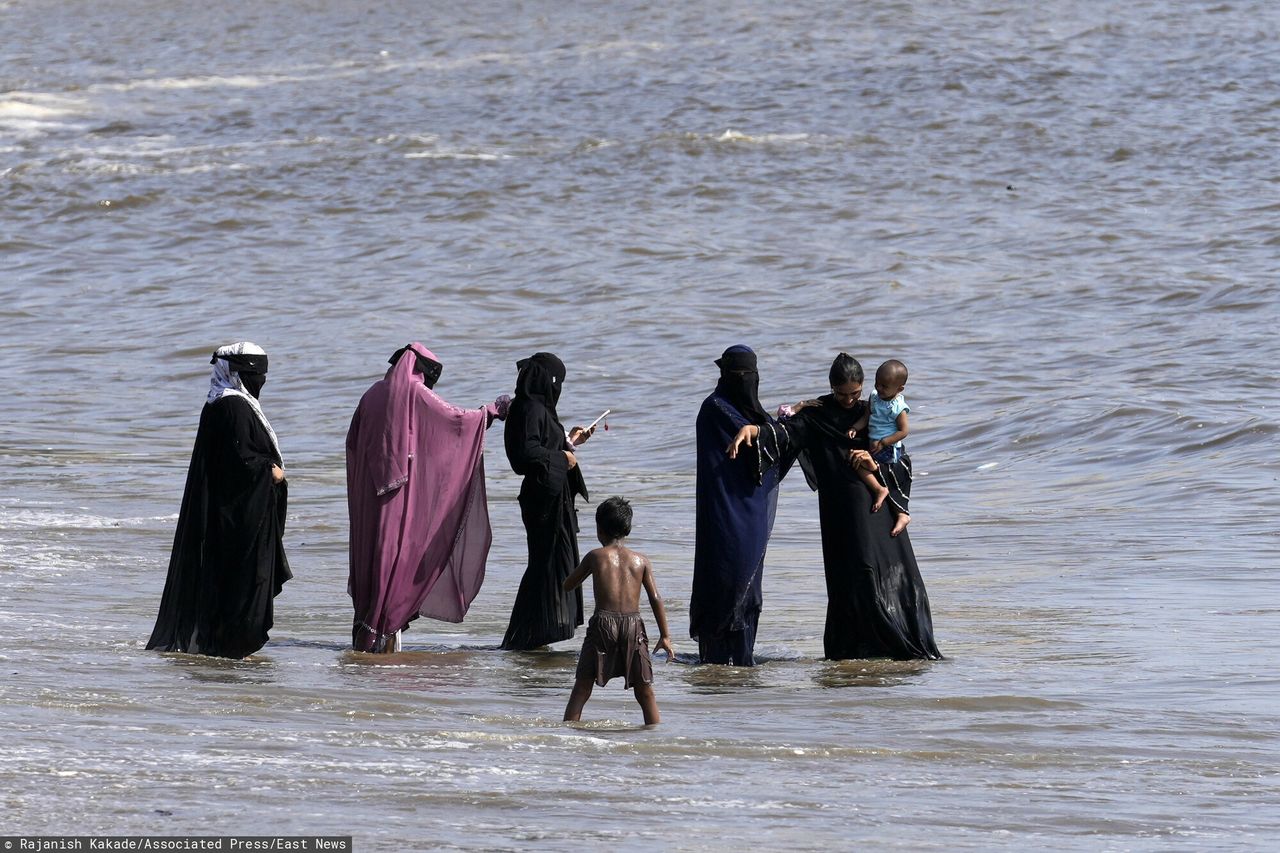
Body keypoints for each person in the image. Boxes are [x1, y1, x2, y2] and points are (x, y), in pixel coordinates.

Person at [729, 353, 940, 661]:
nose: (847, 400)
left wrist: (873, 461)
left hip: (874, 506)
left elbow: (900, 459)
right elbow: (787, 433)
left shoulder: (873, 411)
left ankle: (895, 646)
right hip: (836, 509)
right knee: (845, 575)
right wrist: (756, 431)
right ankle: (850, 654)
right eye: (841, 394)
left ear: (863, 387)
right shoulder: (818, 413)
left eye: (854, 393)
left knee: (873, 568)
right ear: (831, 388)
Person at [346, 343, 510, 653]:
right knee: (395, 560)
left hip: (369, 498)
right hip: (397, 502)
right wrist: (492, 410)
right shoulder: (416, 393)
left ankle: (365, 641)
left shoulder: (370, 395)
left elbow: (353, 445)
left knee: (373, 559)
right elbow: (456, 422)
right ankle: (383, 637)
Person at [147, 342, 291, 659]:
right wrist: (271, 473)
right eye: (255, 374)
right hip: (237, 516)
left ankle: (222, 643)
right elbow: (242, 462)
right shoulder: (233, 406)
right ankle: (231, 646)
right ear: (237, 373)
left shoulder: (219, 403)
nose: (260, 381)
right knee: (244, 578)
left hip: (225, 512)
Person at [688, 344, 790, 666]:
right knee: (725, 582)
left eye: (749, 376)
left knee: (750, 592)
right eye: (740, 376)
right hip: (723, 515)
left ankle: (741, 662)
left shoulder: (750, 415)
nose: (745, 381)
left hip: (751, 514)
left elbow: (774, 441)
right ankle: (717, 663)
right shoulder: (715, 409)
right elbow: (767, 443)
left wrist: (791, 416)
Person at [500, 352, 595, 650]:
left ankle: (534, 636)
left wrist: (569, 442)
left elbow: (542, 444)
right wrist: (562, 457)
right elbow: (524, 456)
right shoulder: (529, 408)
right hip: (542, 500)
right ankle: (527, 637)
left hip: (552, 497)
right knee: (544, 566)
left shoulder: (538, 408)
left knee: (551, 565)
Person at [562, 497, 674, 725]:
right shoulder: (640, 560)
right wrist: (665, 636)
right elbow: (655, 597)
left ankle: (569, 731)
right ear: (627, 529)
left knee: (582, 686)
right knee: (644, 690)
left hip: (603, 624)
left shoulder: (595, 556)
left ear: (599, 529)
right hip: (634, 626)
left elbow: (569, 584)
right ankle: (654, 736)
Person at [867, 358, 911, 536]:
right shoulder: (875, 397)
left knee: (859, 462)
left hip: (887, 448)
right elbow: (867, 416)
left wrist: (885, 441)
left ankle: (883, 493)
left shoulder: (898, 406)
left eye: (885, 386)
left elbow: (904, 431)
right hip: (874, 444)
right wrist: (855, 428)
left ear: (899, 389)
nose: (879, 388)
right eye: (877, 383)